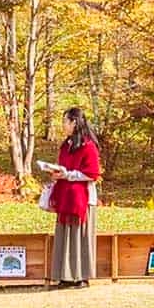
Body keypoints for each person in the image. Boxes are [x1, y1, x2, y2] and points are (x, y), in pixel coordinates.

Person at [44, 108, 101, 288]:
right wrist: (56, 174)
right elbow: (63, 168)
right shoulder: (66, 146)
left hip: (81, 200)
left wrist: (68, 175)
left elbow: (92, 173)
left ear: (74, 123)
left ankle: (81, 276)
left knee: (80, 238)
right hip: (66, 197)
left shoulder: (88, 146)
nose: (63, 126)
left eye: (65, 122)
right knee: (65, 236)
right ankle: (65, 275)